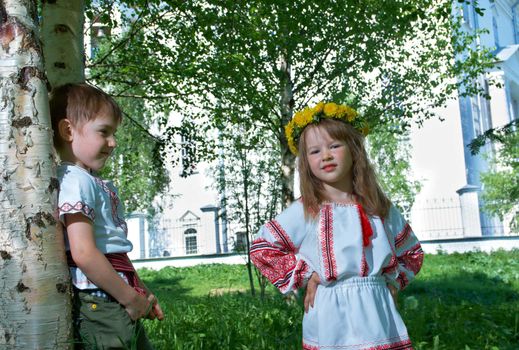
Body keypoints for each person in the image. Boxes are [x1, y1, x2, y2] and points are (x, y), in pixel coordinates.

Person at [250, 102, 424, 350]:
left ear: (354, 150)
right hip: (330, 313)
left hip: (377, 312)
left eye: (334, 146)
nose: (326, 156)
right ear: (305, 161)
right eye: (315, 151)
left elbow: (412, 252)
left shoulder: (379, 207)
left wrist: (393, 282)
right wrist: (305, 275)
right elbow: (263, 248)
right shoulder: (306, 210)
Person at [50, 83, 164, 349]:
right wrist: (129, 298)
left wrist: (141, 290)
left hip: (113, 296)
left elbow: (112, 248)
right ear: (68, 130)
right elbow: (84, 252)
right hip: (100, 301)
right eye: (104, 132)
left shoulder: (87, 180)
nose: (113, 143)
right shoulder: (74, 181)